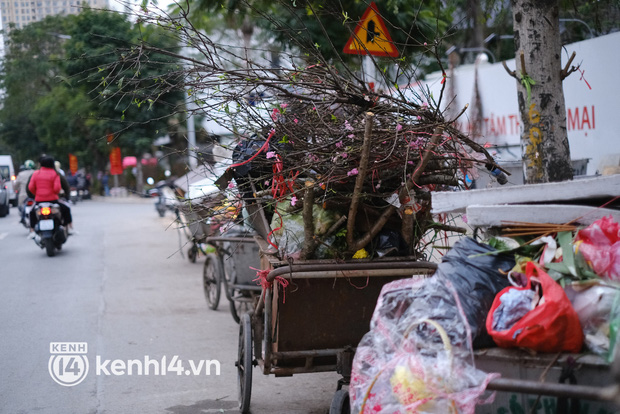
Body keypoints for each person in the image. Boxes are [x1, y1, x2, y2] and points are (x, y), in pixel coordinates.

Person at [28, 156, 74, 234]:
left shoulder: (36, 173)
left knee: (31, 212)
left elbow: (31, 187)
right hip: (53, 200)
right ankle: (68, 225)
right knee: (66, 208)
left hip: (39, 200)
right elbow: (57, 189)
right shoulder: (55, 174)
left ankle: (32, 229)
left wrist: (37, 194)